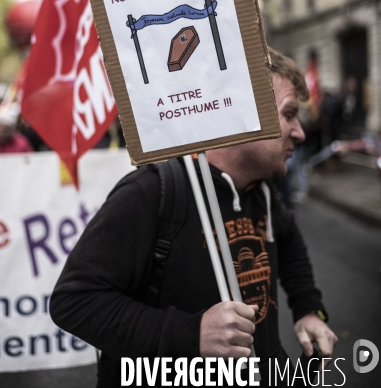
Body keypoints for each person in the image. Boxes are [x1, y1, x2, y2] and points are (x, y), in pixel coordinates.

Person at [50, 48, 337, 386]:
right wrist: (191, 334)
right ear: (243, 110)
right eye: (289, 114)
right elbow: (75, 300)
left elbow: (289, 245)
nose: (300, 132)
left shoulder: (261, 192)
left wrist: (308, 309)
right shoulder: (150, 192)